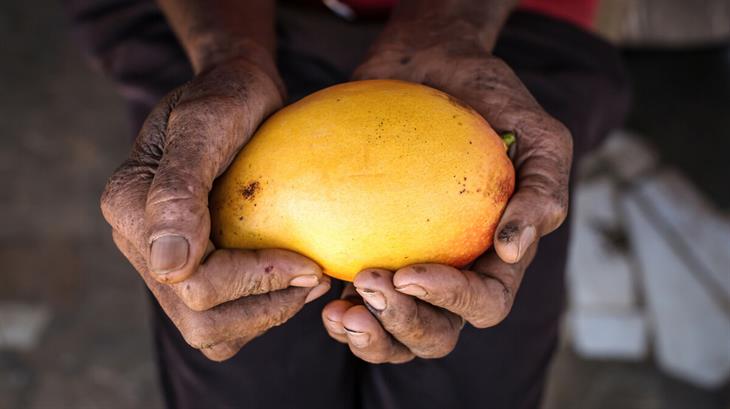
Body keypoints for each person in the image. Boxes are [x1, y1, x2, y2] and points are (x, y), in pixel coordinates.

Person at [65, 0, 629, 407]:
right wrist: (226, 55)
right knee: (245, 382)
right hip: (215, 20)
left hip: (498, 37)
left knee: (472, 381)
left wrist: (449, 20)